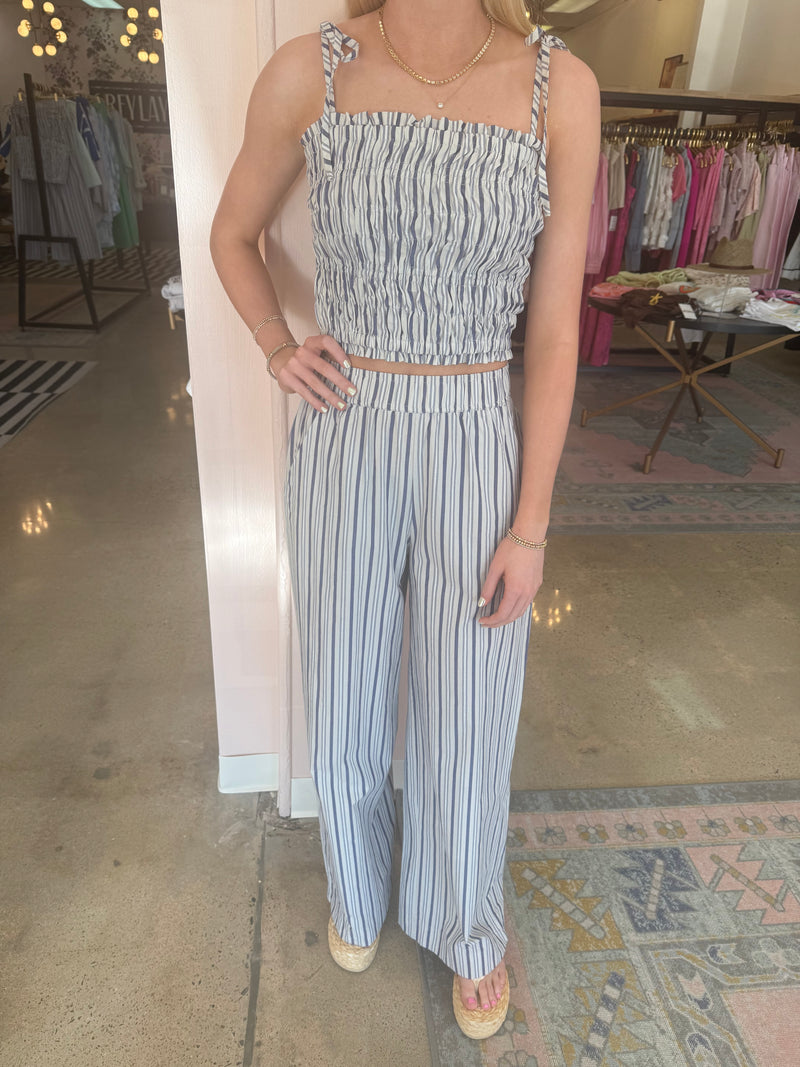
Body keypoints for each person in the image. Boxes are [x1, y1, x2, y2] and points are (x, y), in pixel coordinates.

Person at [210, 0, 599, 1041]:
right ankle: (356, 884)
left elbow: (553, 326)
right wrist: (275, 343)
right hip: (347, 420)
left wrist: (531, 522)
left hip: (476, 422)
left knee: (471, 704)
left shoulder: (558, 87)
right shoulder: (312, 70)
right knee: (342, 685)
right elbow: (232, 233)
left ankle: (468, 924)